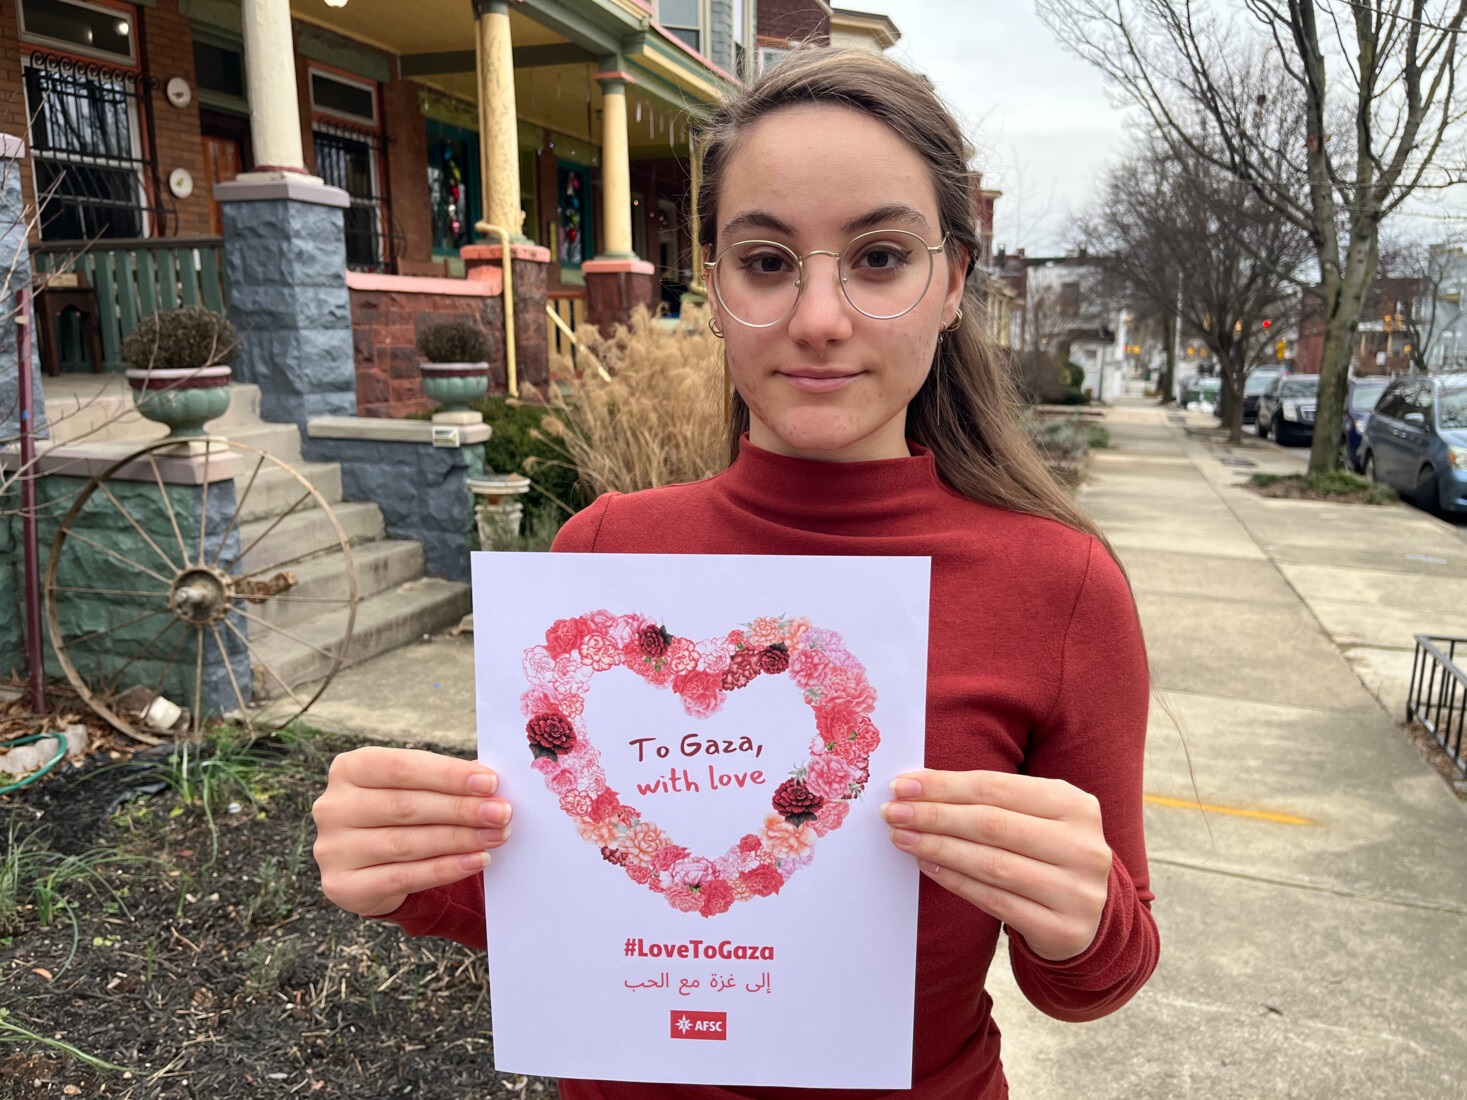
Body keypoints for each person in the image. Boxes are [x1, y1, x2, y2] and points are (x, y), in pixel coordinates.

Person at [312, 47, 1158, 1099]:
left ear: (953, 284)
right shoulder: (605, 556)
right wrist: (406, 866)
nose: (818, 317)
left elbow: (1093, 980)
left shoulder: (1059, 586)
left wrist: (1085, 913)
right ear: (711, 285)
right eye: (766, 261)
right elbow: (573, 911)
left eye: (880, 257)